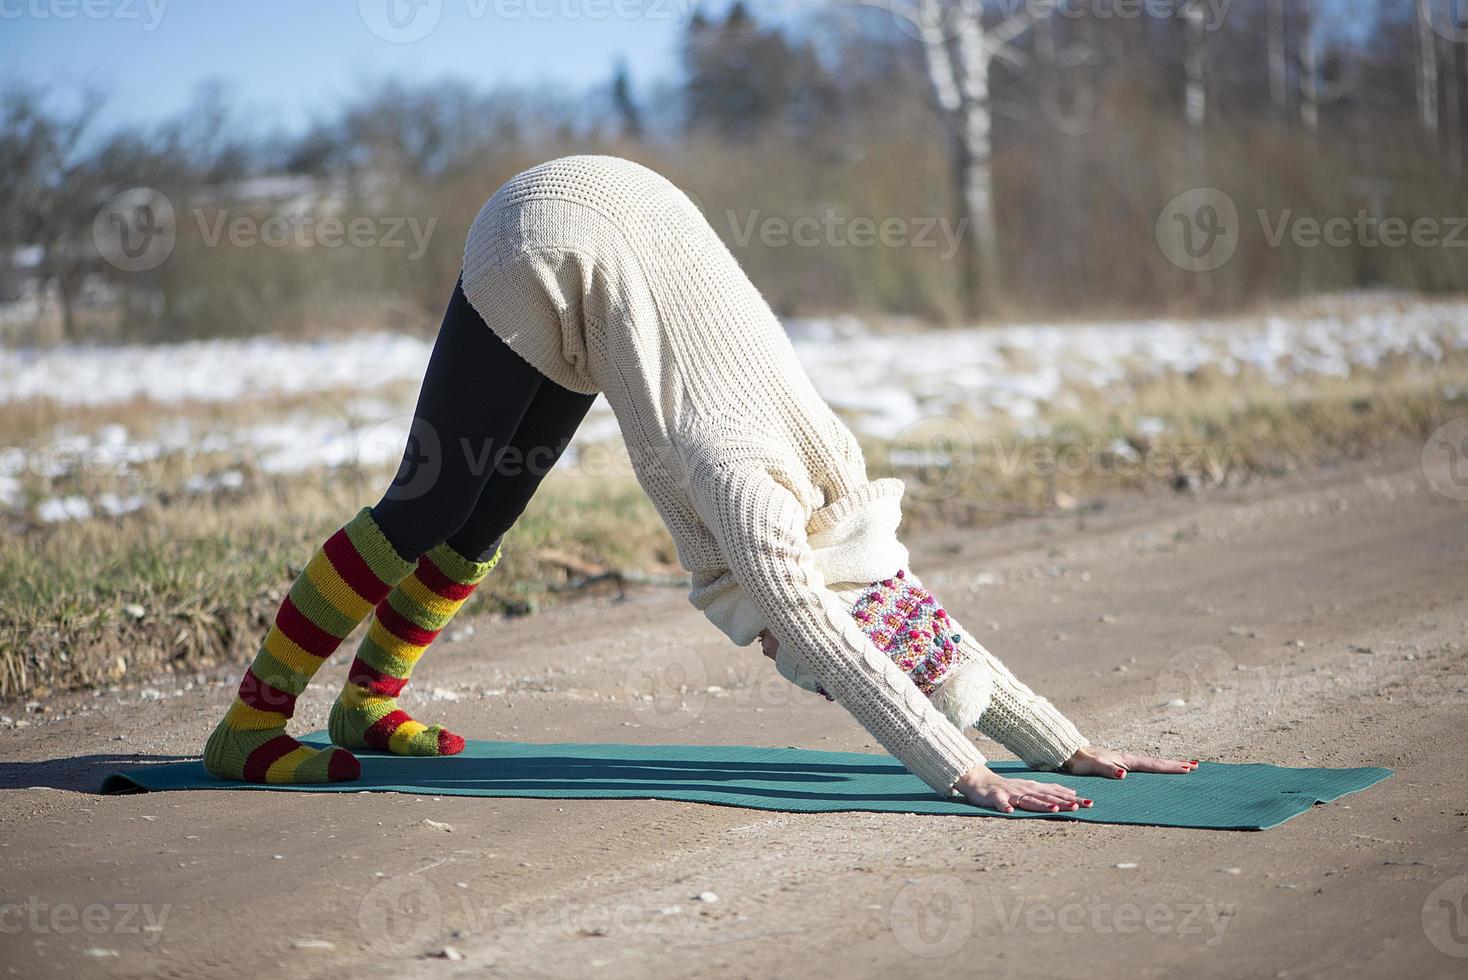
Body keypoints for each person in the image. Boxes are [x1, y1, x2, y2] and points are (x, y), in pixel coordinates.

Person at [203, 156, 1196, 811]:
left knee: (485, 513)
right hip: (546, 237)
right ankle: (252, 722)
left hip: (626, 249)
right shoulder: (757, 498)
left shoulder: (841, 503)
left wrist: (1066, 745)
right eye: (787, 657)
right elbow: (832, 639)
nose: (779, 657)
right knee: (427, 502)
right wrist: (966, 772)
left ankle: (365, 703)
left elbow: (910, 621)